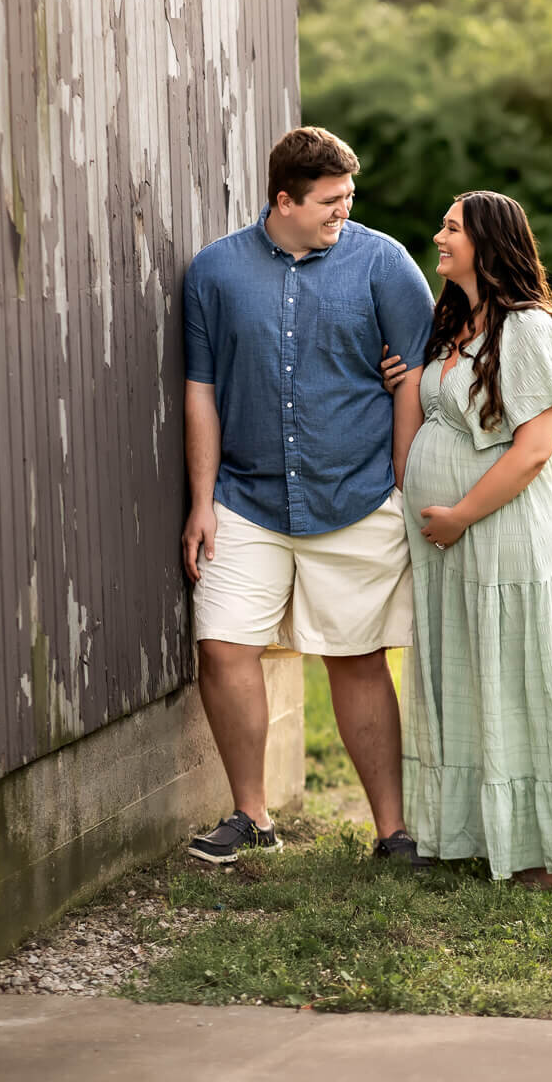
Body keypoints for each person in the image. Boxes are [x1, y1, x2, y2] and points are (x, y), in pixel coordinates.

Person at [181, 126, 435, 867]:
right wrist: (201, 501)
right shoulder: (215, 273)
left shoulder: (383, 262)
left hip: (356, 493)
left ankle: (392, 833)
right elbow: (201, 391)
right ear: (282, 199)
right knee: (223, 647)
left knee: (356, 658)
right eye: (329, 201)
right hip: (244, 497)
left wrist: (400, 476)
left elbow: (418, 376)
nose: (342, 213)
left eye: (349, 198)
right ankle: (250, 816)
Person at [384, 190, 552, 886]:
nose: (438, 237)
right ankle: (480, 833)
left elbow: (532, 450)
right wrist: (404, 393)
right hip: (447, 545)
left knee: (520, 678)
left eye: (451, 228)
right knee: (465, 676)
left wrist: (458, 515)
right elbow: (425, 422)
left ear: (487, 242)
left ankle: (547, 850)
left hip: (506, 535)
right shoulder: (449, 322)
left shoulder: (525, 328)